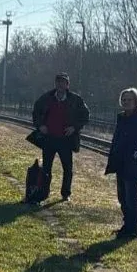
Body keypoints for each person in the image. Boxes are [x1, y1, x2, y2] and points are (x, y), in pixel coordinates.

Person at [31, 73, 91, 202]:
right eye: (58, 82)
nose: (60, 84)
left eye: (63, 82)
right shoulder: (46, 98)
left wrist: (74, 127)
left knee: (67, 168)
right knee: (46, 168)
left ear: (67, 85)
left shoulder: (75, 100)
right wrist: (40, 125)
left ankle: (65, 194)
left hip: (65, 140)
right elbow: (35, 112)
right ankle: (43, 193)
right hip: (49, 139)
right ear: (55, 83)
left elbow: (85, 116)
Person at [105, 88, 137, 239]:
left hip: (134, 166)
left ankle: (133, 228)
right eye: (124, 99)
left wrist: (134, 157)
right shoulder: (121, 117)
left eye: (129, 100)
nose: (126, 102)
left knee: (131, 197)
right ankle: (127, 225)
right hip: (121, 163)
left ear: (136, 101)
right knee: (122, 197)